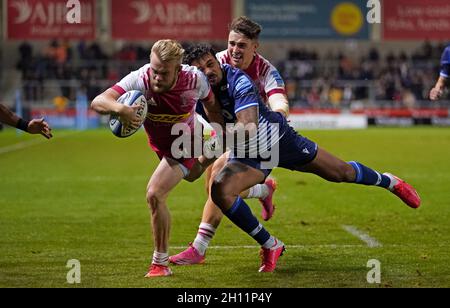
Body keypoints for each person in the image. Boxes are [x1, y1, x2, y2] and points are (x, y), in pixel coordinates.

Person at [172, 45, 421, 273]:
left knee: (341, 173)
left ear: (217, 62)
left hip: (279, 141)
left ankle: (390, 182)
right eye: (200, 69)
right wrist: (191, 162)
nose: (208, 71)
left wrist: (212, 145)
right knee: (219, 189)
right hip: (248, 153)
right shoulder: (195, 94)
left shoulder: (238, 80)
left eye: (209, 64)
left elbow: (247, 126)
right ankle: (271, 244)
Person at [90, 40, 224, 277]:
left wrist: (221, 130)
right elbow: (98, 101)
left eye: (164, 73)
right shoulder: (140, 78)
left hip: (185, 141)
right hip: (161, 145)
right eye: (154, 70)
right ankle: (261, 188)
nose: (157, 77)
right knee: (194, 176)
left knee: (155, 193)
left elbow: (212, 104)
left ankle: (159, 264)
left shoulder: (194, 80)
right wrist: (120, 109)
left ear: (178, 70)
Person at [170, 16, 290, 265]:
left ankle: (199, 248)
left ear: (254, 47)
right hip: (226, 130)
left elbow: (279, 101)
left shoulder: (266, 71)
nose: (235, 50)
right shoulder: (217, 61)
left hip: (257, 135)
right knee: (213, 188)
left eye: (242, 45)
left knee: (219, 181)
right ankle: (264, 190)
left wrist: (278, 119)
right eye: (231, 44)